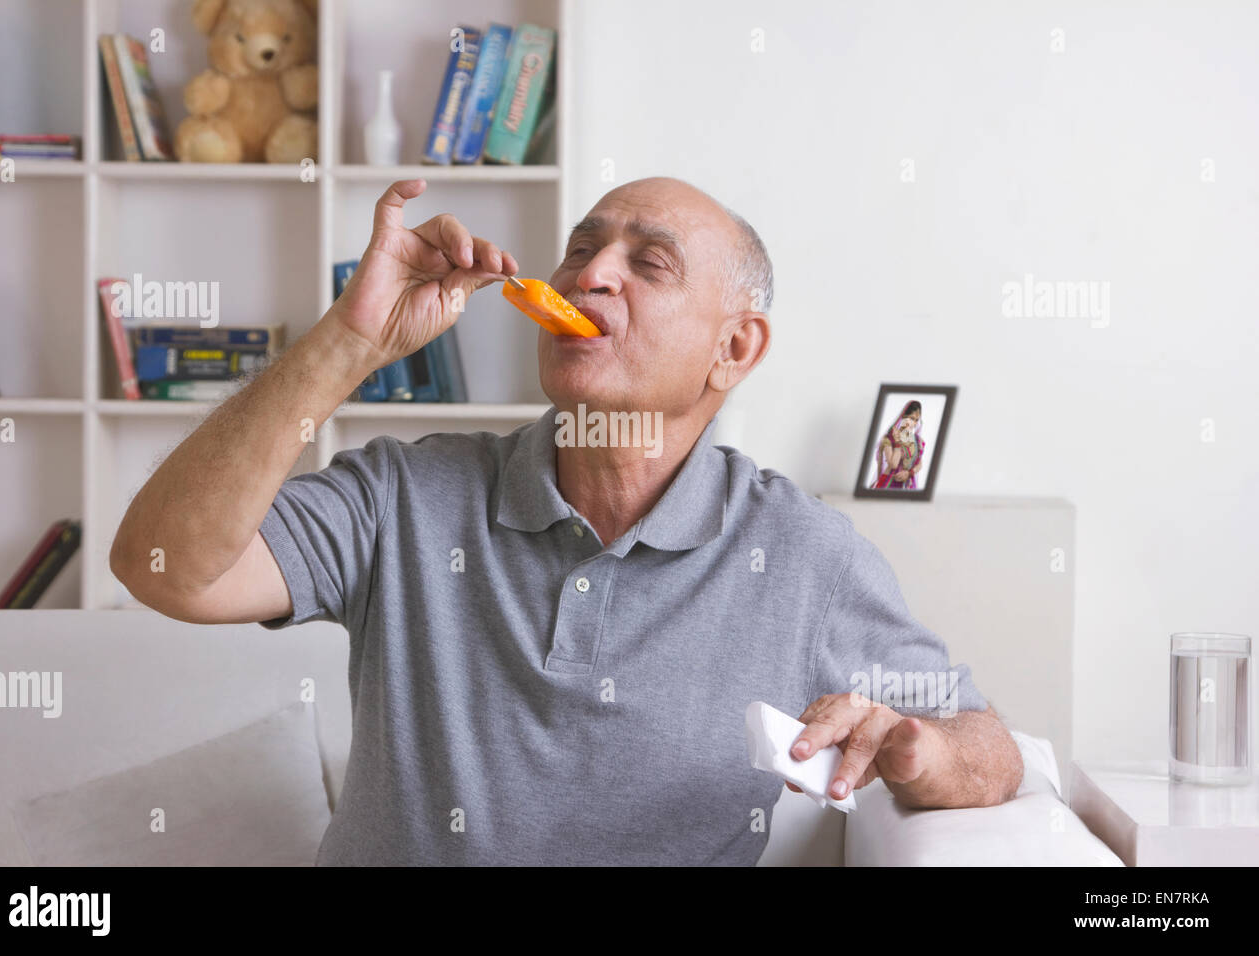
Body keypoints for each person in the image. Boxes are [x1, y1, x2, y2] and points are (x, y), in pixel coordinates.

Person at [111, 177, 1022, 865]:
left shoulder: (801, 555)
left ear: (733, 347)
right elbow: (164, 568)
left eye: (647, 263)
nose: (590, 275)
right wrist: (351, 343)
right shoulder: (402, 495)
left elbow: (991, 748)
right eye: (582, 251)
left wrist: (912, 748)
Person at [871, 400, 924, 490]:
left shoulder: (917, 440)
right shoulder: (889, 438)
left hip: (908, 484)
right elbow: (893, 464)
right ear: (903, 417)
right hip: (889, 483)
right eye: (911, 418)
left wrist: (909, 473)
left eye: (916, 420)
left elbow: (920, 463)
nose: (914, 423)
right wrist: (898, 443)